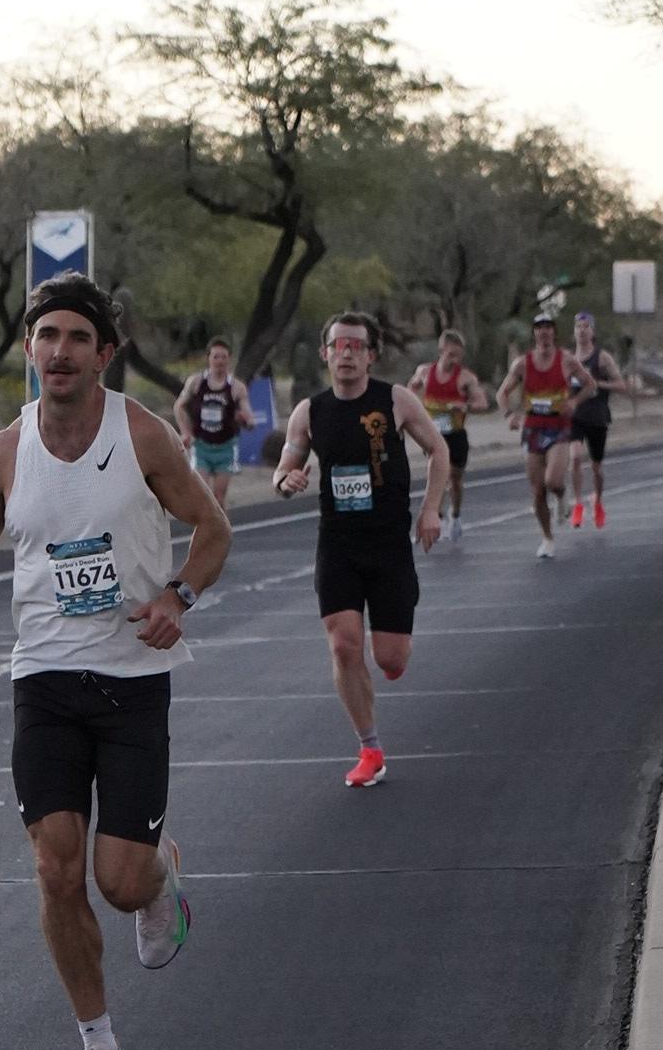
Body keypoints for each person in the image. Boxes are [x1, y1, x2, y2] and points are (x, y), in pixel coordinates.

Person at [0, 271, 232, 1050]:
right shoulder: (4, 453)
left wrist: (177, 597)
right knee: (54, 868)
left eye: (76, 338)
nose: (59, 352)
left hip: (132, 679)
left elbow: (212, 529)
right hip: (45, 679)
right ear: (29, 350)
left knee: (120, 882)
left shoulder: (141, 437)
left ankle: (159, 875)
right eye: (46, 336)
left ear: (105, 353)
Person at [271, 310, 446, 787]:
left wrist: (431, 510)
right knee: (344, 644)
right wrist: (286, 481)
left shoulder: (396, 400)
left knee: (391, 659)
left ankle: (390, 655)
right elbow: (284, 469)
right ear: (325, 353)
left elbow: (438, 450)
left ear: (371, 356)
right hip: (338, 544)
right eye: (338, 345)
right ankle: (370, 749)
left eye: (356, 346)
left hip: (388, 545)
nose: (346, 354)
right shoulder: (310, 411)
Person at [496, 314, 595, 557]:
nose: (544, 332)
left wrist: (574, 402)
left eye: (548, 328)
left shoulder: (566, 360)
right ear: (534, 333)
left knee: (552, 481)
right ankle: (548, 539)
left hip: (558, 427)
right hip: (532, 428)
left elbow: (590, 385)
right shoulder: (522, 364)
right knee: (538, 490)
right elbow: (502, 393)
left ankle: (561, 494)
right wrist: (509, 415)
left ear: (554, 332)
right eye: (539, 328)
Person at [406, 328, 488, 539]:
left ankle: (456, 513)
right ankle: (438, 519)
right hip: (433, 436)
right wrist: (414, 396)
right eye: (451, 355)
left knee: (455, 480)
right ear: (441, 350)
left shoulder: (466, 378)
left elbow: (482, 403)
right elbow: (409, 393)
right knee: (438, 476)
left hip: (456, 435)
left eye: (458, 356)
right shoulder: (425, 372)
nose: (454, 360)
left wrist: (464, 406)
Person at [174, 338, 254, 507]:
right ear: (208, 358)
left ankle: (221, 525)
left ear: (229, 359)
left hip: (226, 448)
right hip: (201, 447)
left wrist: (246, 420)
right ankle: (203, 524)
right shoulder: (196, 382)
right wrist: (185, 432)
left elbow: (249, 419)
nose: (220, 361)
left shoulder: (236, 387)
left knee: (218, 497)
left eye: (223, 357)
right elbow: (179, 407)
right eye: (216, 357)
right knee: (202, 495)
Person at [566, 311, 622, 530]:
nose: (582, 331)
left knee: (596, 467)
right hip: (575, 416)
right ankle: (578, 504)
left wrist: (599, 384)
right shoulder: (569, 359)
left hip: (597, 416)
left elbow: (621, 384)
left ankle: (597, 500)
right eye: (578, 327)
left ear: (592, 331)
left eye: (586, 327)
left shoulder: (602, 357)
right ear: (574, 332)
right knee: (575, 458)